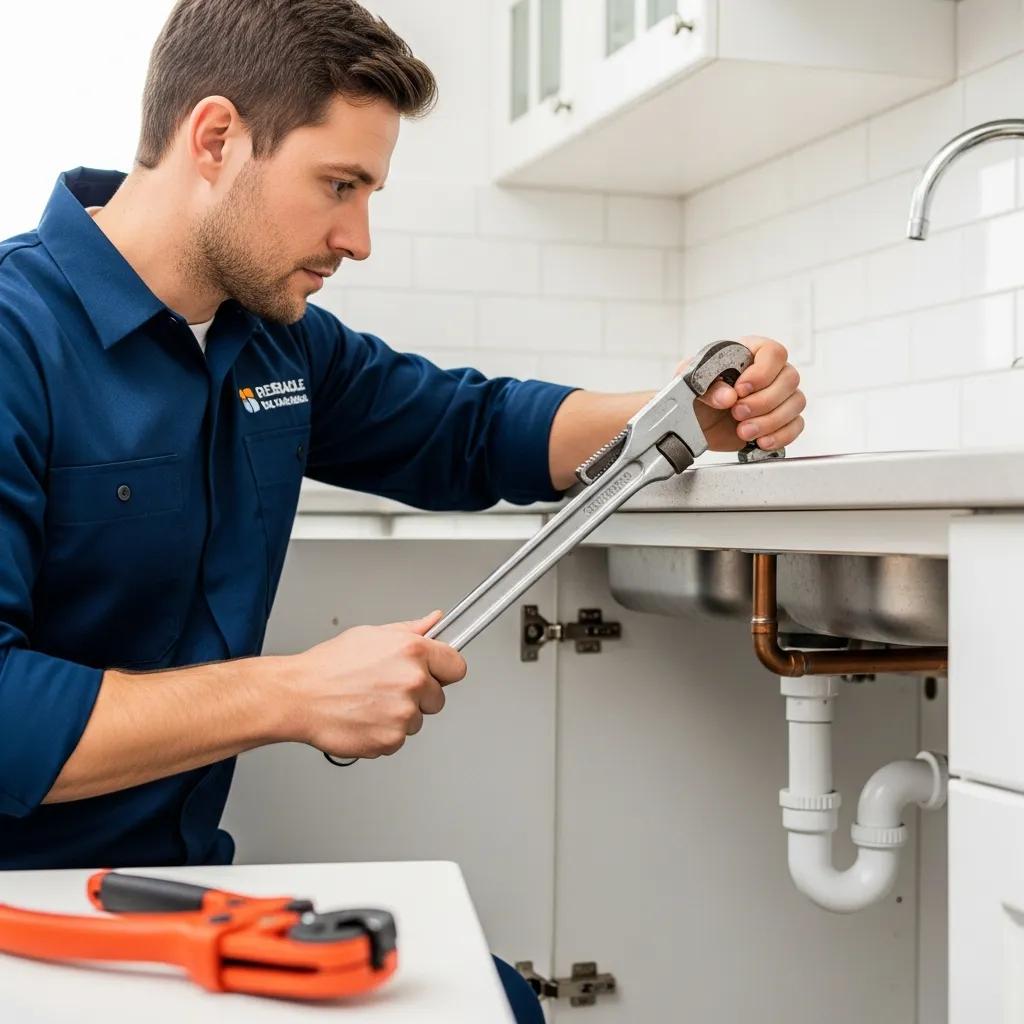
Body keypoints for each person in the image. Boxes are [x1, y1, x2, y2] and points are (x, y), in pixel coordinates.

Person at [0, 1, 805, 1017]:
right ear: (214, 138)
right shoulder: (13, 340)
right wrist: (291, 694)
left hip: (174, 890)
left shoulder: (274, 342)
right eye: (338, 185)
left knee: (500, 1000)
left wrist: (688, 409)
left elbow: (468, 429)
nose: (358, 237)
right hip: (25, 909)